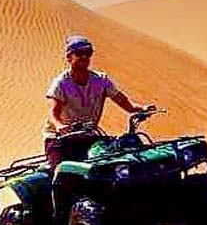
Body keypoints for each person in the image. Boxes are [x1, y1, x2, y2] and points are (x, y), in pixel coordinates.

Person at [44, 34, 146, 167]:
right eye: (79, 53)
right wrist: (60, 126)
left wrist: (141, 109)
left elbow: (124, 102)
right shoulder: (61, 83)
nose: (84, 57)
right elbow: (53, 113)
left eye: (88, 53)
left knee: (115, 162)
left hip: (88, 136)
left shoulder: (100, 80)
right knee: (64, 175)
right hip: (60, 140)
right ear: (69, 57)